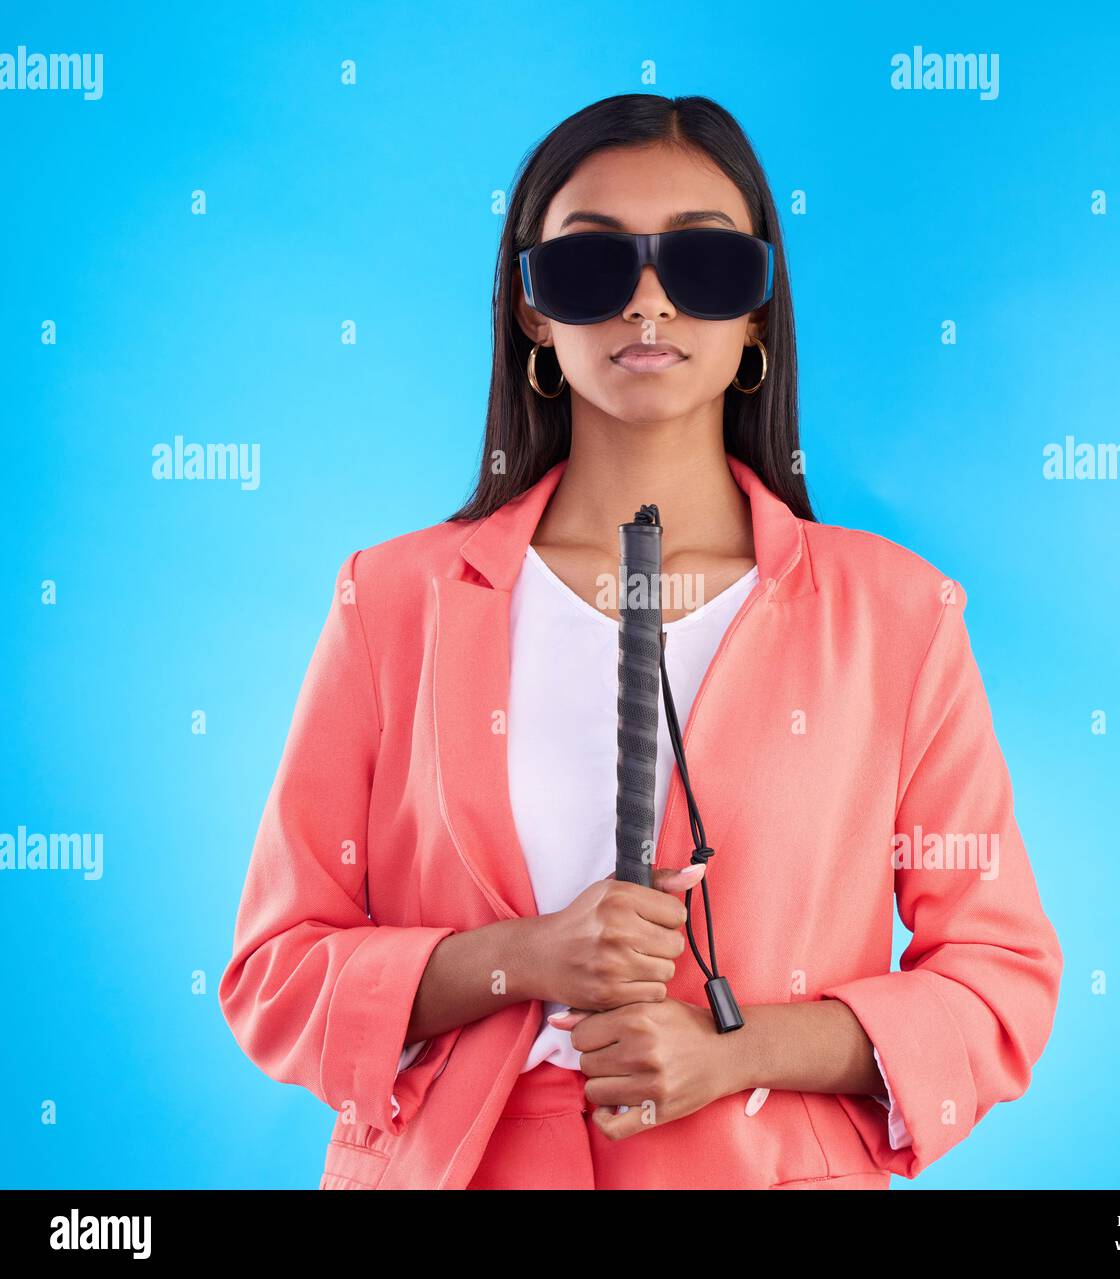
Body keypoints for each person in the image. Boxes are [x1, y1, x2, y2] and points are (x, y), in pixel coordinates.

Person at [218, 93, 1063, 1191]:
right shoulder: (392, 602)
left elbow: (999, 981)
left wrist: (742, 1050)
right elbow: (275, 974)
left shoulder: (897, 616)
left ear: (759, 310)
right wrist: (522, 958)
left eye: (704, 266)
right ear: (531, 309)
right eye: (589, 267)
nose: (649, 301)